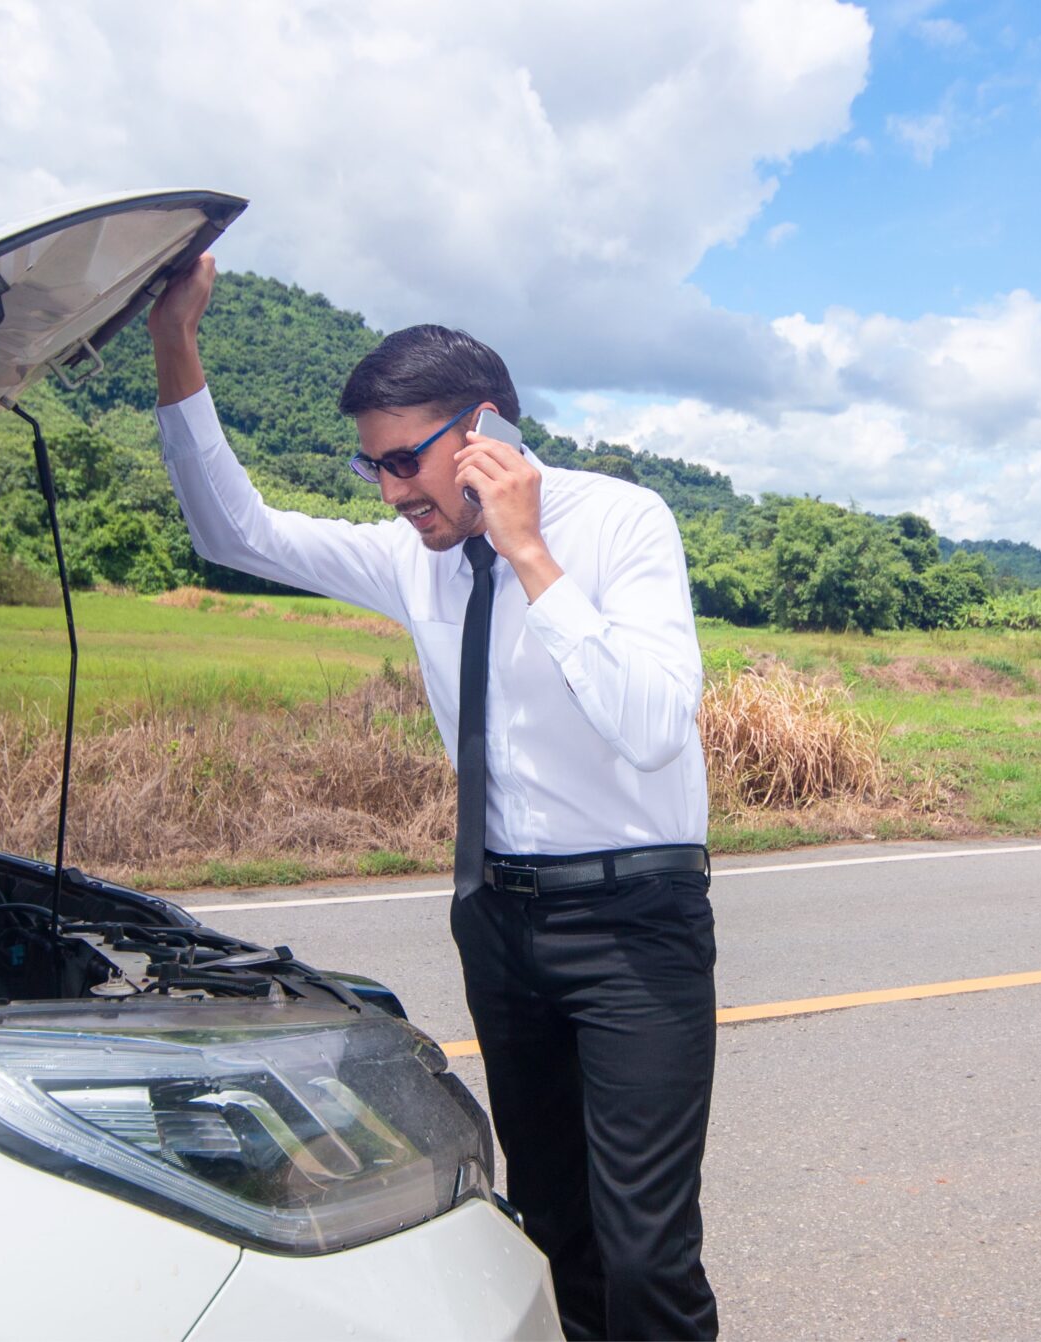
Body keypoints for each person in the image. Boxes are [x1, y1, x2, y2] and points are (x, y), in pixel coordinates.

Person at [146, 254, 719, 1340]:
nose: (393, 491)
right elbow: (236, 533)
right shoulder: (417, 555)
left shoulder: (620, 524)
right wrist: (177, 342)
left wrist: (529, 552)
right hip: (498, 923)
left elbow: (649, 727)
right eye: (375, 469)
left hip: (635, 923)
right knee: (551, 1223)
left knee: (646, 1250)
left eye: (406, 460)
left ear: (487, 430)